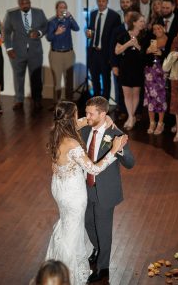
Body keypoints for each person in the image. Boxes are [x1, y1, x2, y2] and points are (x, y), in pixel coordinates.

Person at [45, 100, 127, 285]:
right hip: (73, 193)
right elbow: (94, 169)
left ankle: (57, 266)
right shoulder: (72, 143)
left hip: (59, 187)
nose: (82, 117)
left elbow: (81, 122)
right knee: (73, 230)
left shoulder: (57, 131)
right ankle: (67, 272)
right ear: (70, 118)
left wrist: (106, 119)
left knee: (67, 224)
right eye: (77, 114)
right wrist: (113, 150)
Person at [80, 96, 135, 283]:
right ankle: (98, 248)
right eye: (86, 112)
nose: (87, 116)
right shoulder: (85, 130)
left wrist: (118, 149)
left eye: (90, 113)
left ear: (103, 114)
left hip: (105, 191)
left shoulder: (117, 135)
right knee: (88, 222)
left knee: (104, 230)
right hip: (85, 187)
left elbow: (130, 163)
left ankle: (103, 268)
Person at [4, 0, 48, 111]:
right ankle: (19, 100)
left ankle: (37, 100)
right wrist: (9, 49)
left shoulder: (39, 13)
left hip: (36, 52)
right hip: (17, 53)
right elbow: (6, 32)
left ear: (30, 2)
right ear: (19, 4)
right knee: (18, 77)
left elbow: (46, 26)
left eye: (27, 3)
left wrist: (38, 33)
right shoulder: (11, 15)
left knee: (36, 78)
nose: (25, 5)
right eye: (22, 3)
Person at [114, 12, 146, 130]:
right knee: (127, 94)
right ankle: (131, 117)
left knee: (136, 93)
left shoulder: (145, 35)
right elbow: (117, 51)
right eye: (141, 21)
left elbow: (146, 52)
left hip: (138, 68)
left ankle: (131, 117)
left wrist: (137, 45)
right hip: (125, 67)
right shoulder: (123, 35)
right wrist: (128, 43)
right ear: (134, 23)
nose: (143, 23)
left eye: (143, 21)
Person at [87, 0, 121, 99]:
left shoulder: (114, 16)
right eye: (99, 1)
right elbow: (90, 30)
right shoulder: (92, 14)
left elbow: (117, 38)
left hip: (106, 53)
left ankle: (104, 105)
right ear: (97, 1)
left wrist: (112, 57)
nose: (101, 3)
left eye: (103, 1)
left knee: (106, 80)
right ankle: (96, 103)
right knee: (94, 79)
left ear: (107, 2)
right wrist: (88, 33)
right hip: (93, 52)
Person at [46, 1, 79, 106]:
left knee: (69, 80)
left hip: (69, 53)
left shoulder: (68, 20)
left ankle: (69, 103)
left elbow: (77, 28)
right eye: (61, 7)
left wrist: (71, 17)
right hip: (56, 54)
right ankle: (57, 103)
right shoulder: (52, 22)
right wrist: (56, 32)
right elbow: (49, 38)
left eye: (65, 7)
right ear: (56, 9)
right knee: (57, 79)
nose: (63, 9)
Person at [144, 23, 168, 135]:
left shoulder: (169, 39)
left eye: (159, 28)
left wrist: (162, 53)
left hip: (162, 71)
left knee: (160, 97)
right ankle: (152, 122)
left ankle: (161, 123)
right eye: (154, 29)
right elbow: (143, 54)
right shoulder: (150, 39)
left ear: (164, 28)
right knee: (150, 97)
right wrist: (147, 51)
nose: (157, 30)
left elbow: (172, 55)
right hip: (150, 71)